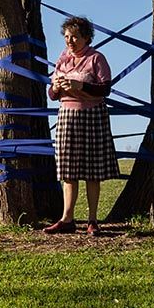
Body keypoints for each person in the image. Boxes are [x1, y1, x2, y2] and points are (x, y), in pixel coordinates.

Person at [42, 15, 120, 237]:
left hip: (93, 115)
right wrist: (56, 86)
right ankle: (67, 219)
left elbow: (105, 89)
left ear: (86, 38)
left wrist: (81, 85)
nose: (70, 41)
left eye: (75, 36)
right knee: (68, 170)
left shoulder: (96, 58)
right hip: (67, 115)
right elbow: (52, 96)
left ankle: (92, 220)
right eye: (67, 37)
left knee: (92, 170)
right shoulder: (62, 60)